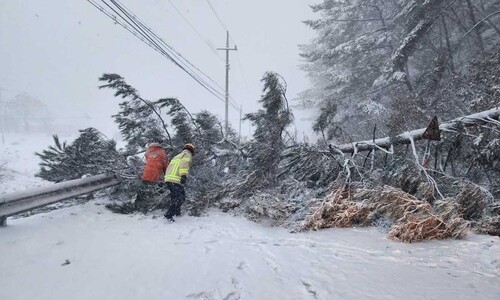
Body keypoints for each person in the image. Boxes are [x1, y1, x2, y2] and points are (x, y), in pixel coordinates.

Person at [163, 143, 194, 221]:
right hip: (175, 178)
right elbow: (184, 164)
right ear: (192, 150)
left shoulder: (178, 155)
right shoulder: (187, 154)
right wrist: (183, 175)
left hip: (168, 178)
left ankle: (177, 212)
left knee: (174, 197)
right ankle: (169, 215)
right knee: (180, 198)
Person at [135, 142, 169, 212]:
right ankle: (146, 207)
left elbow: (149, 160)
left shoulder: (148, 151)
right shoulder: (162, 152)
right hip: (155, 174)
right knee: (150, 191)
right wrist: (166, 174)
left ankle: (137, 205)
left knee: (142, 190)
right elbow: (165, 164)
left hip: (146, 173)